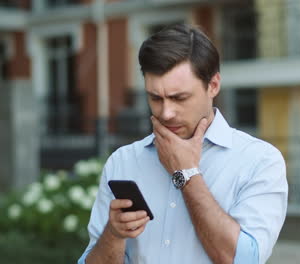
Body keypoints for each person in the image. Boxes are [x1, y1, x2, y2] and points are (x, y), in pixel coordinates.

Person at [78, 23, 288, 264]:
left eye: (179, 98)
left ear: (213, 85)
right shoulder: (123, 161)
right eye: (155, 98)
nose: (166, 113)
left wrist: (186, 173)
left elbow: (241, 260)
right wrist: (113, 235)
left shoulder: (259, 161)